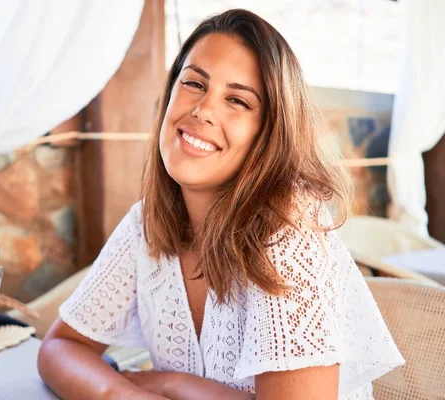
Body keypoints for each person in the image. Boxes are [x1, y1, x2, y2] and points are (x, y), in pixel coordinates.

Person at [38, 9, 404, 400]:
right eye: (194, 83)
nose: (202, 110)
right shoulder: (147, 222)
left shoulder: (289, 230)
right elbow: (61, 347)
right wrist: (123, 394)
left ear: (270, 133)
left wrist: (171, 383)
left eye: (237, 100)